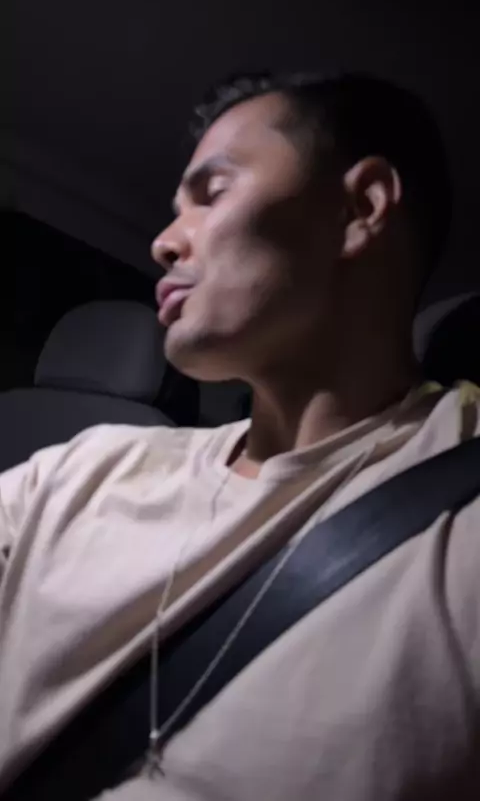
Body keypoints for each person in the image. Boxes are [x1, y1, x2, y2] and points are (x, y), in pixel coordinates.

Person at [0, 72, 479, 800]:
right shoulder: (84, 469)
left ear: (362, 207)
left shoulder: (460, 504)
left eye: (212, 193)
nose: (164, 243)